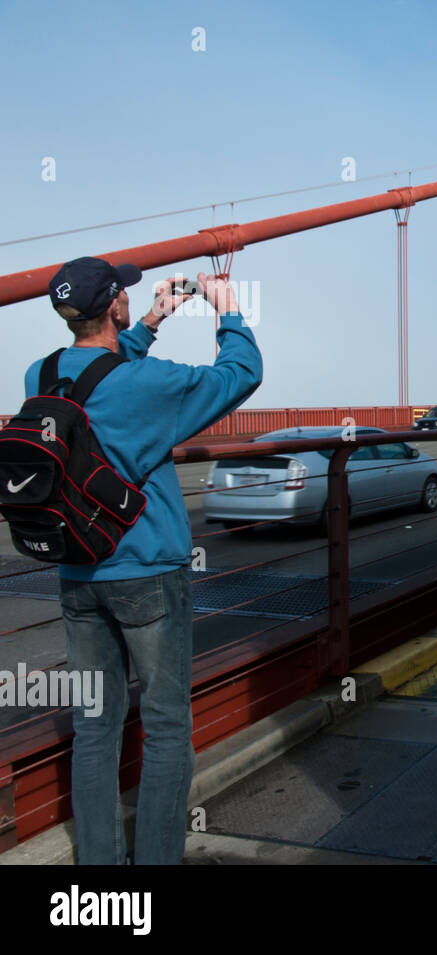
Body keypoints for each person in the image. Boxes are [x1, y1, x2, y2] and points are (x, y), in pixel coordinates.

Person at [29, 256, 262, 864]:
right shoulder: (148, 383)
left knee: (95, 728)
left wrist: (154, 319)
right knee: (164, 727)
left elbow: (99, 376)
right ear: (113, 306)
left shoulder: (42, 373)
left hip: (77, 572)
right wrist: (227, 306)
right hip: (148, 575)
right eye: (128, 295)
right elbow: (240, 374)